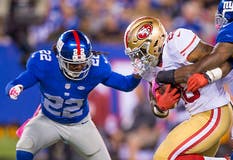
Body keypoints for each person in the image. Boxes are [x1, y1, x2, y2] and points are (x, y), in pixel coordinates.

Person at [156, 0, 233, 160]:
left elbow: (202, 65)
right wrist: (209, 77)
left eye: (224, 17)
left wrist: (164, 76)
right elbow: (231, 63)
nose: (221, 21)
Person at [5, 29, 141, 160]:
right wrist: (16, 87)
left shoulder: (96, 67)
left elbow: (125, 84)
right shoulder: (45, 63)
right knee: (24, 147)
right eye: (73, 65)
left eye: (82, 63)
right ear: (59, 58)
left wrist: (136, 75)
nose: (79, 68)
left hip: (80, 124)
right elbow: (19, 81)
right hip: (48, 120)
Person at [124, 16, 233, 160]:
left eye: (140, 52)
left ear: (155, 42)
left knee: (164, 157)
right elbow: (155, 103)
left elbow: (223, 58)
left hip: (214, 112)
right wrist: (161, 107)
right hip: (198, 116)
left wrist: (208, 76)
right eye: (135, 54)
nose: (138, 59)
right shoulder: (149, 69)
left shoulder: (176, 43)